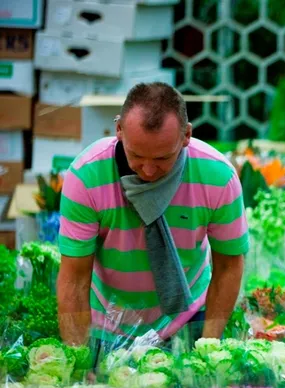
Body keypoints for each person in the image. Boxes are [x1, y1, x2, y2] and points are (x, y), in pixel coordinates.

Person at [57, 83, 249, 355]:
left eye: (162, 158)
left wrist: (209, 346)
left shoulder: (218, 177)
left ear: (186, 136)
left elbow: (229, 265)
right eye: (135, 155)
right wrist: (78, 356)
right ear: (119, 130)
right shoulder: (87, 176)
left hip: (188, 318)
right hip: (108, 325)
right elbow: (74, 279)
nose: (147, 170)